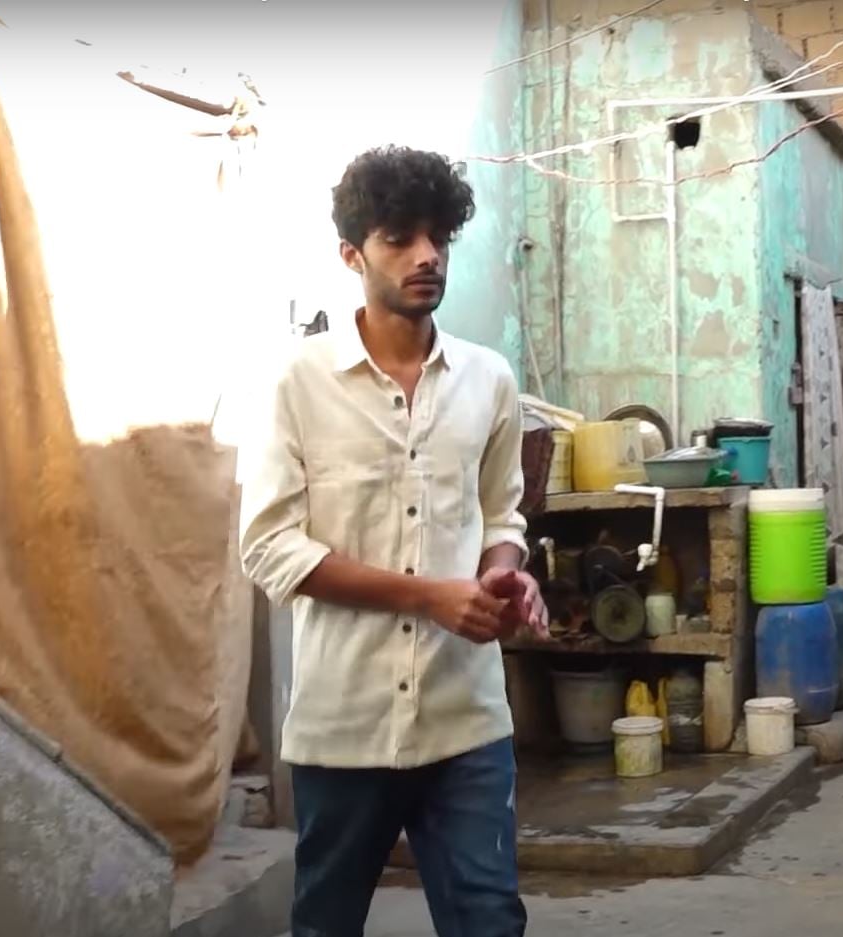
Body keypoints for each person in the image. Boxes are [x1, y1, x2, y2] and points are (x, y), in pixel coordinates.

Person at [239, 144, 548, 937]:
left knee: (489, 922)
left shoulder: (490, 381)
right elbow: (270, 546)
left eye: (438, 236)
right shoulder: (295, 383)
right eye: (398, 238)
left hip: (466, 721)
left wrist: (504, 575)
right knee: (325, 925)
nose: (426, 256)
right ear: (351, 254)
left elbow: (501, 518)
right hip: (342, 727)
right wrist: (429, 596)